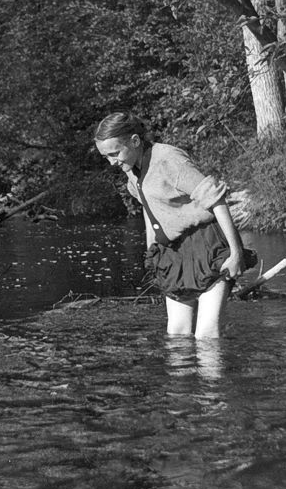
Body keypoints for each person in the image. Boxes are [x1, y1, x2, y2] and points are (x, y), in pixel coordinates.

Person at [94, 111, 256, 339]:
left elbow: (215, 199)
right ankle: (186, 376)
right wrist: (152, 253)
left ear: (135, 141)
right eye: (106, 157)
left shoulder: (168, 159)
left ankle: (215, 375)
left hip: (207, 246)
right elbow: (149, 209)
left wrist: (236, 252)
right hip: (172, 254)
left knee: (206, 335)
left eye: (115, 153)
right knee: (177, 334)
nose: (112, 162)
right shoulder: (131, 168)